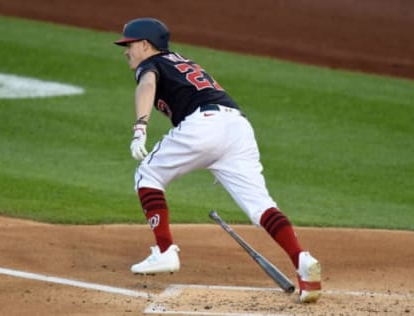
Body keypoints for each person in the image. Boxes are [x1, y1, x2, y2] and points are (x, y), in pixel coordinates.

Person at [114, 17, 322, 303]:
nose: (126, 50)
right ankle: (302, 262)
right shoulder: (180, 61)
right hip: (237, 127)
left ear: (146, 45)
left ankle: (164, 251)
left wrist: (140, 126)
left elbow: (147, 85)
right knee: (260, 205)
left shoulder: (153, 64)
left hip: (205, 124)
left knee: (147, 175)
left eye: (130, 44)